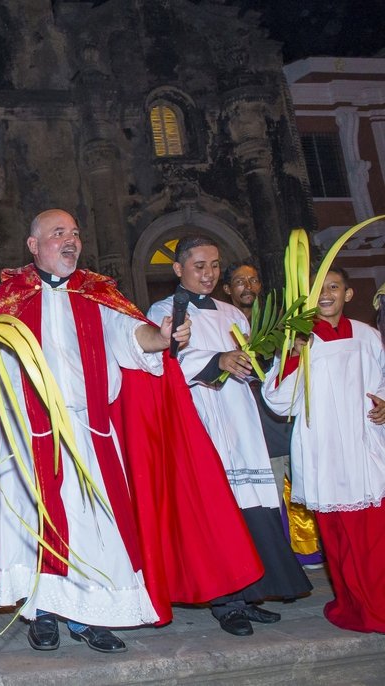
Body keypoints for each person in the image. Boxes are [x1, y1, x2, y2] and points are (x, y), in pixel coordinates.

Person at [0, 209, 263, 655]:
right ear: (34, 245)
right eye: (59, 233)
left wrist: (159, 337)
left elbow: (130, 336)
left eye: (76, 233)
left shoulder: (97, 293)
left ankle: (90, 615)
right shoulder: (8, 297)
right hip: (29, 434)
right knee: (33, 529)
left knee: (94, 526)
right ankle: (42, 614)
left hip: (88, 430)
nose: (71, 240)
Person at [148, 236, 311, 637]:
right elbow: (162, 365)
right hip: (199, 419)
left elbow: (256, 368)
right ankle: (226, 602)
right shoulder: (163, 311)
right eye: (200, 266)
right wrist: (217, 361)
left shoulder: (232, 314)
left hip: (240, 418)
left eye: (215, 265)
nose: (209, 274)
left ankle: (251, 593)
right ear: (179, 269)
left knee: (251, 505)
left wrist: (273, 357)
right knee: (216, 510)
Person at [262, 267, 385, 632]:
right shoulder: (298, 340)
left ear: (348, 294)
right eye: (319, 290)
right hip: (325, 450)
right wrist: (295, 357)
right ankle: (353, 604)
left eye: (334, 287)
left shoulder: (367, 335)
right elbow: (280, 401)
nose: (326, 295)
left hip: (365, 448)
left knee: (375, 537)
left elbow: (380, 380)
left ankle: (376, 605)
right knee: (338, 540)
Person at [221, 261, 323, 567]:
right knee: (268, 491)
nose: (247, 287)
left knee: (305, 482)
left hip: (285, 421)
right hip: (250, 423)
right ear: (227, 289)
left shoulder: (280, 324)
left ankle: (312, 550)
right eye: (239, 282)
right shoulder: (224, 325)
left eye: (253, 280)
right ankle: (276, 558)